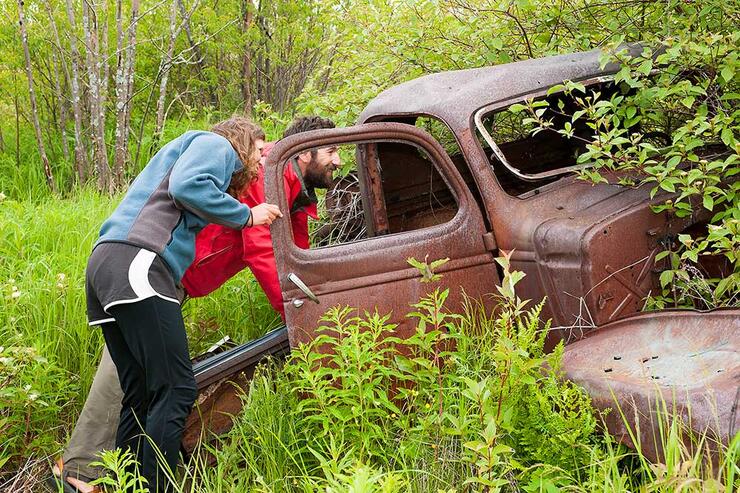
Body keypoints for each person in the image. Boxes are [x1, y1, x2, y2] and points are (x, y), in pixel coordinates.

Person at [49, 116, 338, 493]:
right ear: (305, 151)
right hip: (150, 264)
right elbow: (262, 249)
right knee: (146, 381)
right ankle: (82, 472)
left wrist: (311, 302)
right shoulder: (254, 166)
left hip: (162, 268)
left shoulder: (291, 189)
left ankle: (124, 478)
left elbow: (294, 255)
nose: (337, 160)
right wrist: (297, 314)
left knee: (140, 381)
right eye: (332, 150)